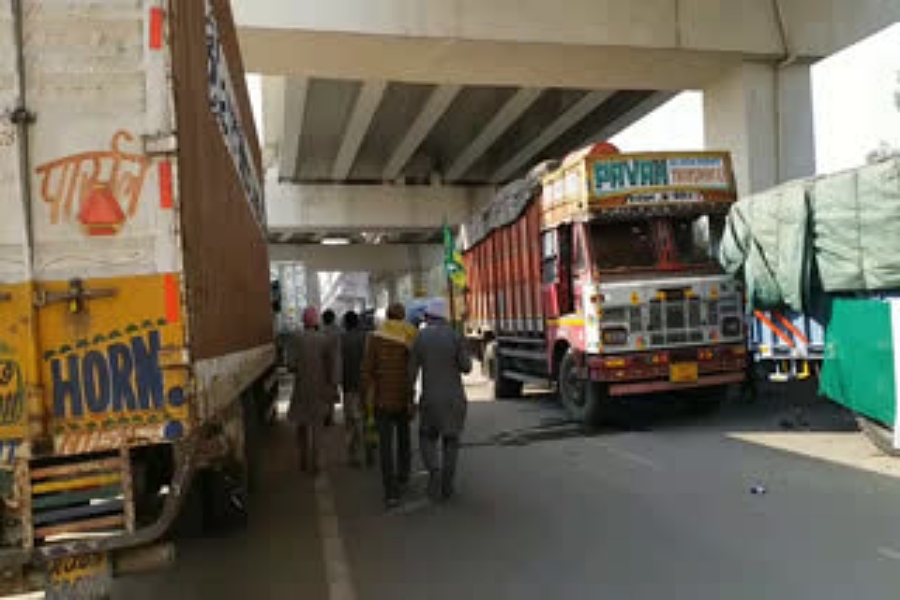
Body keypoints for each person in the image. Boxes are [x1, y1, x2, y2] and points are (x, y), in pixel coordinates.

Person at [409, 298, 472, 501]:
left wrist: (408, 397)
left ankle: (434, 471)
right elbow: (467, 367)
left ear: (428, 316)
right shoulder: (455, 336)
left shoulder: (420, 337)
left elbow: (411, 372)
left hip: (430, 400)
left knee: (426, 437)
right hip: (454, 399)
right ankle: (447, 485)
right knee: (451, 441)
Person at [361, 302, 418, 508]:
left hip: (381, 400)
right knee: (404, 440)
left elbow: (366, 370)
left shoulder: (375, 338)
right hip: (403, 397)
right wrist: (412, 397)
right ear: (402, 316)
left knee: (385, 447)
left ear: (386, 316)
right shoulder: (411, 335)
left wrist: (367, 397)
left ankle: (391, 493)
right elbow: (414, 369)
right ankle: (403, 477)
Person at [287, 307, 338, 475]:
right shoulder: (324, 340)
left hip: (301, 389)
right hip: (319, 389)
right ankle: (316, 463)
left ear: (303, 320)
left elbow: (291, 366)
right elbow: (331, 366)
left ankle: (303, 459)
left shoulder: (295, 337)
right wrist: (331, 386)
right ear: (316, 321)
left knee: (301, 426)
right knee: (317, 427)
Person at [340, 311, 368, 467]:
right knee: (365, 417)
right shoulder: (366, 337)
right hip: (364, 384)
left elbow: (338, 363)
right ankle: (369, 449)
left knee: (351, 421)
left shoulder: (342, 339)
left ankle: (354, 455)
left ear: (345, 323)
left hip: (348, 385)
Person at [321, 309, 342, 427]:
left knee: (324, 394)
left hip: (323, 367)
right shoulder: (339, 331)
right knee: (332, 393)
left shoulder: (321, 332)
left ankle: (326, 416)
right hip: (335, 366)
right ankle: (331, 417)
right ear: (333, 318)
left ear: (324, 319)